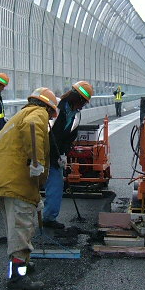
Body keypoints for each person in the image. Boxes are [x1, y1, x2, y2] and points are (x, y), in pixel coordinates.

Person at [0, 87, 58, 290]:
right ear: (48, 108)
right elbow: (34, 126)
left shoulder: (19, 115)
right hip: (17, 184)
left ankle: (21, 266)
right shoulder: (37, 114)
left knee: (16, 230)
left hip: (5, 182)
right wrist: (36, 162)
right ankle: (17, 279)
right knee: (21, 231)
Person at [43, 81, 94, 229]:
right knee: (30, 186)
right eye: (82, 101)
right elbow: (43, 131)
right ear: (75, 97)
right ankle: (23, 220)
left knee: (56, 185)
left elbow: (69, 138)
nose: (83, 105)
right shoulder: (55, 108)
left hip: (56, 156)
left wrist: (64, 154)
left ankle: (49, 218)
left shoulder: (76, 116)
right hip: (41, 152)